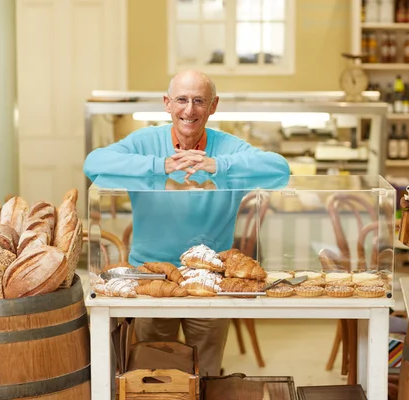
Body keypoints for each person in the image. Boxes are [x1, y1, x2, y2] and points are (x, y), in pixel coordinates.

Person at [84, 70, 290, 376]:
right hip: (152, 278)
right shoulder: (144, 142)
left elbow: (279, 170)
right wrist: (160, 166)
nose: (189, 110)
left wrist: (219, 166)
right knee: (156, 375)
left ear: (213, 106)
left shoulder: (228, 148)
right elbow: (94, 164)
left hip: (209, 280)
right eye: (181, 100)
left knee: (206, 372)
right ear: (167, 104)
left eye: (198, 101)